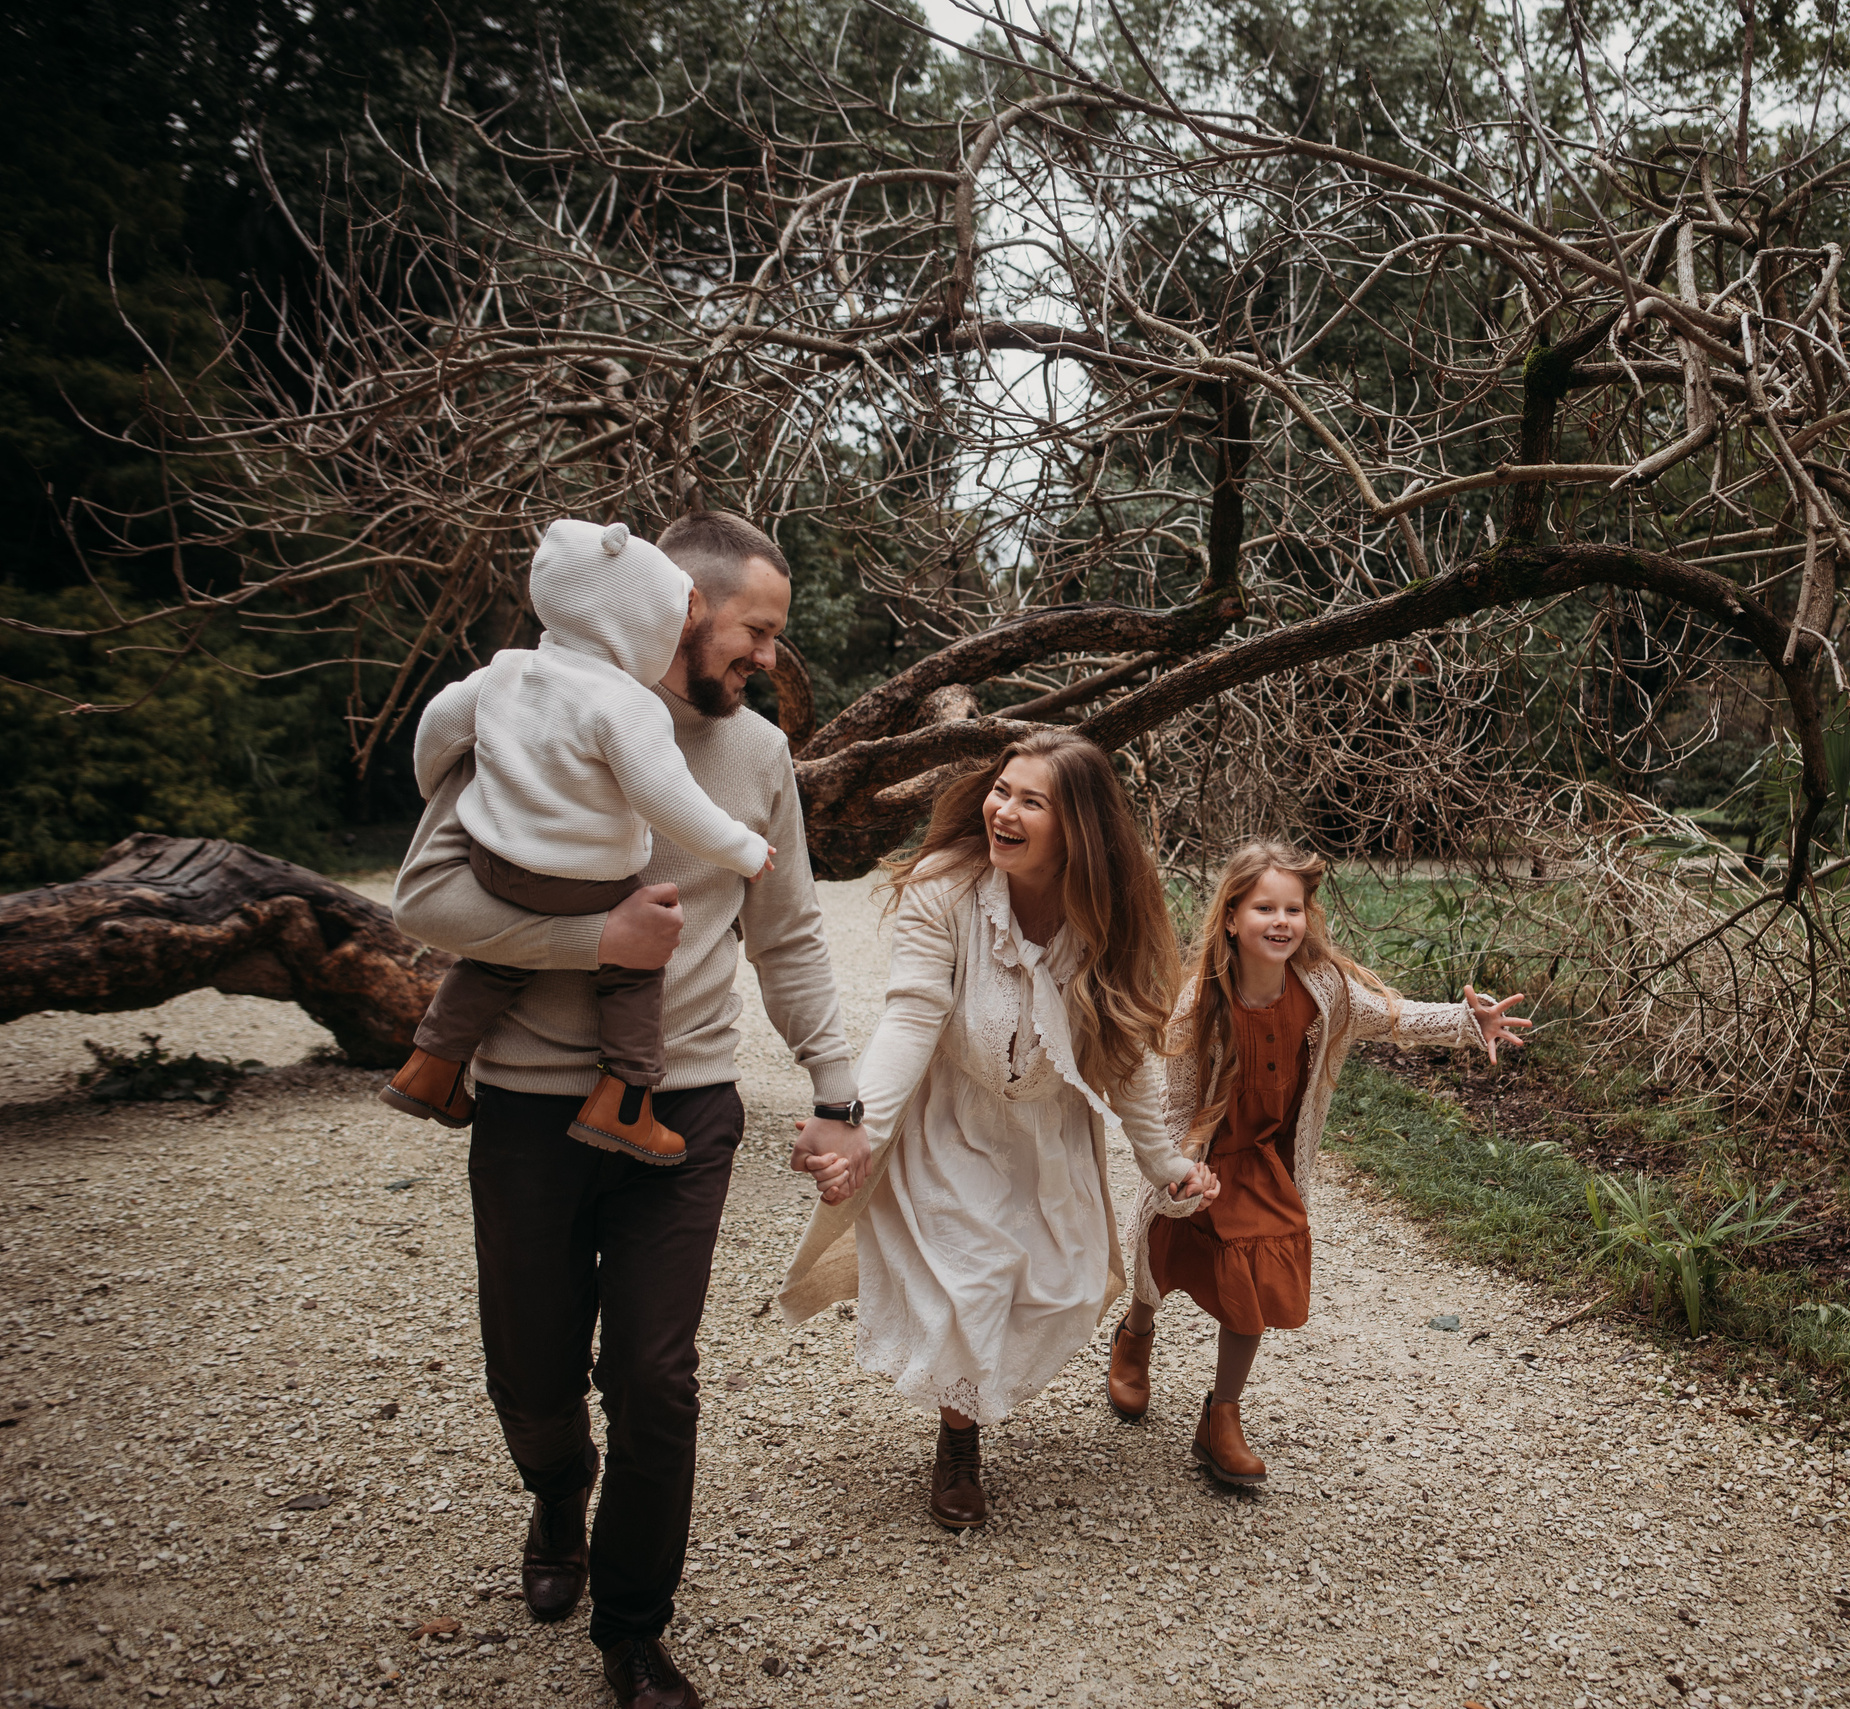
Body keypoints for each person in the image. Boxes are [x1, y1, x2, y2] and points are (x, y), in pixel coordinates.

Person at [391, 510, 856, 1709]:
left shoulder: (757, 757)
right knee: (529, 1368)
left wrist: (837, 1089)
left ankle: (634, 1631)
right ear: (684, 612)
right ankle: (557, 1485)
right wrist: (592, 936)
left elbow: (791, 931)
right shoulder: (527, 709)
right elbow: (425, 900)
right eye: (755, 631)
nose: (766, 657)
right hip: (528, 1110)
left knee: (657, 1374)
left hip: (684, 1106)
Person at [775, 730, 1220, 1530]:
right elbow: (910, 1016)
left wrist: (1162, 1162)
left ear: (1076, 826)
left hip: (1049, 1134)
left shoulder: (1107, 910)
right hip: (953, 1119)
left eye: (1030, 800)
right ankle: (959, 1439)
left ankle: (971, 1396)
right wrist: (855, 1126)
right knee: (971, 1280)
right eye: (1001, 790)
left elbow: (1127, 1052)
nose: (1002, 810)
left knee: (1063, 1287)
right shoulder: (948, 888)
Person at [1111, 840, 1529, 1483]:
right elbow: (1175, 1101)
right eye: (1264, 908)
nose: (1281, 922)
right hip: (1205, 1157)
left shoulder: (1323, 989)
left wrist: (1464, 1021)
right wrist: (1175, 1172)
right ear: (1230, 917)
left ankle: (1221, 1416)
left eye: (1294, 909)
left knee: (1258, 1279)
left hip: (1267, 1164)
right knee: (1159, 1254)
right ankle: (1136, 1335)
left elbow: (1388, 1017)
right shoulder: (1203, 1005)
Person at [379, 518, 776, 1163]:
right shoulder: (624, 703)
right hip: (578, 877)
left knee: (499, 956)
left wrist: (440, 788)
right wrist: (743, 849)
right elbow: (666, 800)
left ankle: (431, 1066)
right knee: (636, 960)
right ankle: (625, 1099)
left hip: (495, 858)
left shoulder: (508, 671)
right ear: (638, 621)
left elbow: (438, 725)